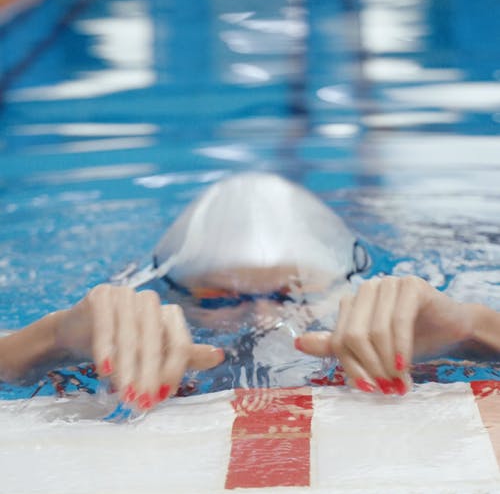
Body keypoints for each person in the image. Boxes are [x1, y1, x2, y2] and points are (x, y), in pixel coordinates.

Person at [1, 173, 499, 410]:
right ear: (168, 295)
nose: (263, 320)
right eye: (218, 301)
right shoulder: (114, 336)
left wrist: (471, 330)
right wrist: (51, 342)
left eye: (292, 295)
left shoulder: (419, 321)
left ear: (347, 283)